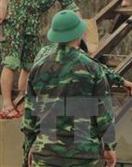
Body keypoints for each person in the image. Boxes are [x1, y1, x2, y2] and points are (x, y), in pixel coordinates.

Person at [22, 10, 117, 167]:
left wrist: (30, 147)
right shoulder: (92, 68)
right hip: (83, 154)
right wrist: (109, 147)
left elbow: (29, 117)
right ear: (79, 34)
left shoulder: (38, 67)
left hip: (46, 153)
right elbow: (104, 113)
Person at [0, 0, 80, 120]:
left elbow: (70, 5)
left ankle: (25, 100)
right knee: (11, 61)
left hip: (33, 24)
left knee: (31, 65)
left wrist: (82, 27)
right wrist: (3, 6)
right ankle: (6, 104)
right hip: (15, 20)